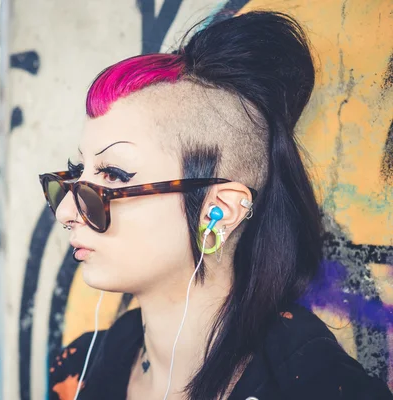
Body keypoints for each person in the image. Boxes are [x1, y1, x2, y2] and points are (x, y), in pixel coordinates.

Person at [39, 11, 393, 400]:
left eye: (114, 175)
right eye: (77, 172)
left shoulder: (321, 388)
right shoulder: (77, 370)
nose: (66, 212)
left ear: (217, 211)